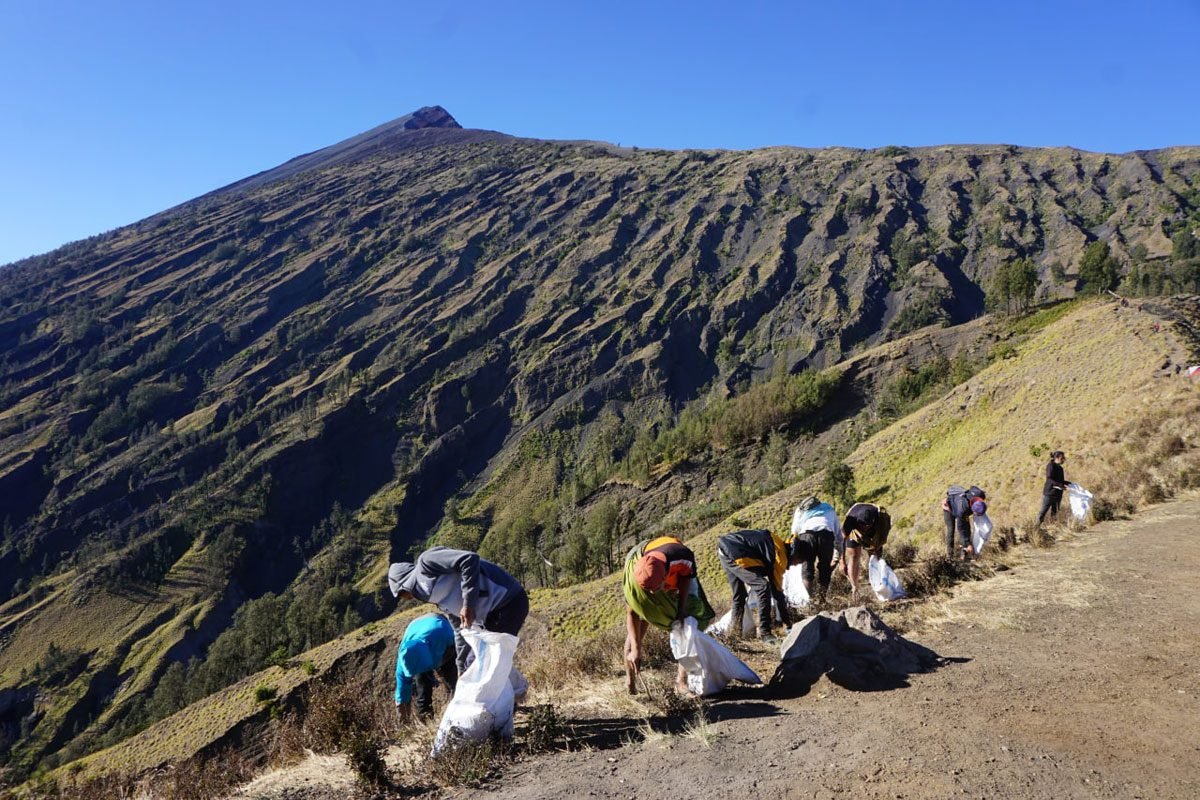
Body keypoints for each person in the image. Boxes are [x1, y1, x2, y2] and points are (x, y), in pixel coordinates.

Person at [388, 546, 529, 672]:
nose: (406, 598)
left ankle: (502, 699)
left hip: (508, 600)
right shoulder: (438, 600)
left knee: (481, 662)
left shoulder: (427, 563)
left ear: (404, 585)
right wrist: (460, 666)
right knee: (474, 664)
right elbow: (460, 630)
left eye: (401, 594)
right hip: (492, 614)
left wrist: (468, 604)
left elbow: (468, 559)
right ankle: (508, 697)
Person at [622, 534, 715, 695]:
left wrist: (681, 609)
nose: (652, 593)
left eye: (656, 589)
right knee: (641, 620)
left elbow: (685, 579)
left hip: (674, 564)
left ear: (665, 576)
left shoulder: (683, 557)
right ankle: (630, 683)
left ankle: (681, 682)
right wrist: (636, 650)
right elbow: (632, 613)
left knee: (689, 623)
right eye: (648, 591)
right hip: (643, 555)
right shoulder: (635, 580)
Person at [717, 528, 806, 644]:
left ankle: (735, 634)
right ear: (796, 555)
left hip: (726, 548)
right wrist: (788, 623)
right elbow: (777, 592)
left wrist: (785, 621)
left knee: (739, 595)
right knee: (762, 587)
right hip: (736, 552)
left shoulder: (778, 545)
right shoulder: (780, 557)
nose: (796, 564)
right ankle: (765, 634)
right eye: (798, 561)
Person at [394, 613, 457, 721]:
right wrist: (403, 722)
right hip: (416, 629)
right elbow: (402, 693)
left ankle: (455, 711)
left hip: (437, 627)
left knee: (453, 682)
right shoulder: (405, 658)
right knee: (422, 685)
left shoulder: (444, 633)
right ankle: (426, 719)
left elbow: (461, 646)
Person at [789, 495, 842, 602]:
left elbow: (794, 531)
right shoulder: (828, 508)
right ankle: (822, 600)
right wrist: (837, 556)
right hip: (826, 535)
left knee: (807, 568)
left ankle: (810, 600)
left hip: (807, 536)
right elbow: (838, 533)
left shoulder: (800, 510)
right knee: (825, 568)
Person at [839, 502, 891, 599]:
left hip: (875, 534)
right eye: (862, 525)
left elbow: (882, 539)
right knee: (854, 556)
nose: (865, 527)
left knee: (876, 557)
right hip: (855, 533)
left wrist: (874, 549)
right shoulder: (851, 520)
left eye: (867, 525)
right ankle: (854, 588)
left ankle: (881, 587)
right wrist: (842, 562)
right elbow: (841, 540)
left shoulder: (881, 519)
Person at [943, 486, 987, 561]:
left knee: (967, 529)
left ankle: (965, 552)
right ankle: (950, 556)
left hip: (957, 501)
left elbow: (973, 487)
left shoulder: (980, 495)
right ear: (973, 510)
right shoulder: (963, 510)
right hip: (948, 508)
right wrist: (968, 543)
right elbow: (962, 529)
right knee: (951, 530)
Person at [1038, 450, 1072, 524]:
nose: (1064, 459)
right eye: (1062, 458)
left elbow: (1061, 481)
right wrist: (1060, 485)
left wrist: (1070, 484)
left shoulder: (1060, 468)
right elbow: (1049, 479)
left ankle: (1053, 527)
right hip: (1049, 493)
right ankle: (1036, 528)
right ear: (1056, 458)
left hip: (1058, 494)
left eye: (1064, 458)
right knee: (1042, 512)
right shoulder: (1050, 466)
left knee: (1055, 512)